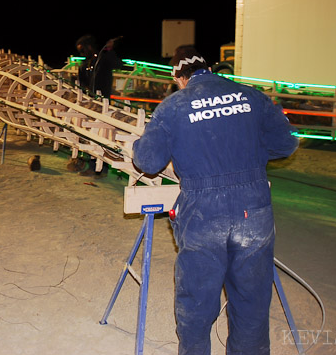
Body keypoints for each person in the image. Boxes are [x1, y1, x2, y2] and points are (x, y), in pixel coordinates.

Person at [131, 51, 298, 355]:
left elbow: (149, 161)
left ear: (179, 78)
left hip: (202, 212)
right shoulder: (252, 96)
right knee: (251, 300)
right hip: (253, 210)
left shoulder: (174, 106)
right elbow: (286, 143)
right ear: (208, 68)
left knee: (196, 300)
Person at [71, 34, 121, 178]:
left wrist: (110, 50)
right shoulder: (85, 64)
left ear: (90, 47)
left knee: (101, 135)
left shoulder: (103, 59)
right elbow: (83, 84)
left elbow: (118, 64)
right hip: (90, 104)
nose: (82, 54)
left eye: (83, 50)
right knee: (89, 134)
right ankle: (91, 165)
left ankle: (100, 169)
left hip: (102, 103)